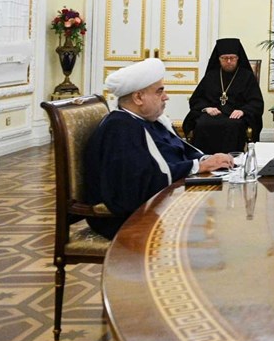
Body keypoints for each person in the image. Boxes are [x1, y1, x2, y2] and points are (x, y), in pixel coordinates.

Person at [83, 58, 235, 239]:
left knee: (220, 219)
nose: (166, 96)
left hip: (161, 203)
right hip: (130, 221)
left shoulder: (146, 121)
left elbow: (178, 150)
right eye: (159, 91)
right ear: (138, 97)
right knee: (215, 230)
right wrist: (198, 167)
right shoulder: (121, 128)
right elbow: (138, 185)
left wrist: (206, 160)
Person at [182, 38, 264, 154]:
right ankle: (204, 159)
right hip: (212, 115)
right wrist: (207, 108)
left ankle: (233, 161)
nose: (229, 61)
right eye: (225, 58)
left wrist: (243, 111)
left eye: (232, 58)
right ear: (219, 59)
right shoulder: (211, 75)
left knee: (233, 126)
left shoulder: (247, 77)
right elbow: (196, 99)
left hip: (234, 117)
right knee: (202, 124)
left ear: (238, 58)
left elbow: (256, 102)